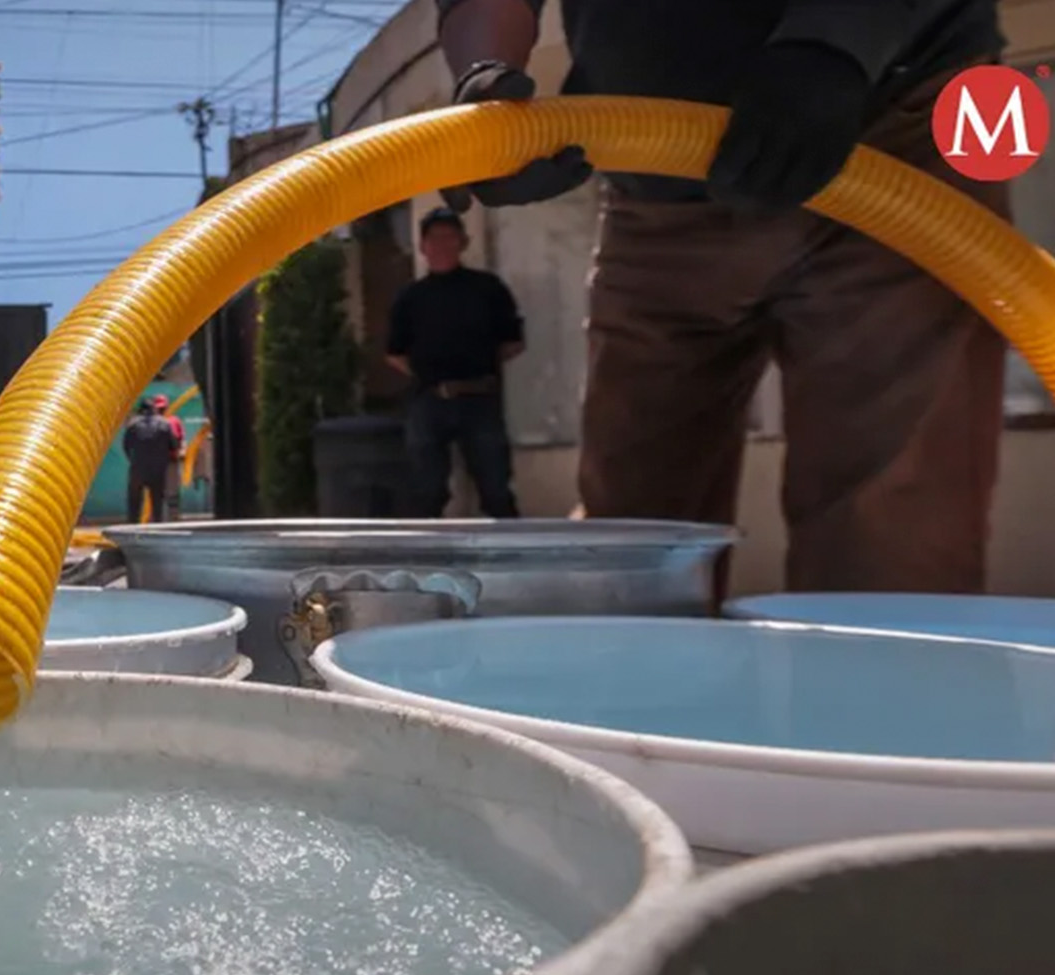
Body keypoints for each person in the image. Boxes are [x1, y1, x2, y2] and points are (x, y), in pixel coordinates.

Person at [434, 0, 1007, 595]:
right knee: (633, 541)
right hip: (655, 175)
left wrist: (835, 44)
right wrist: (487, 79)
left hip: (890, 127)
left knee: (889, 540)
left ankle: (876, 654)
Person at [384, 206, 525, 518]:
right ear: (423, 246)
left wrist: (477, 368)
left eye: (450, 237)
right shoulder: (410, 297)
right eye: (434, 238)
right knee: (427, 491)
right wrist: (429, 376)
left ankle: (510, 547)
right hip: (429, 402)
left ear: (463, 242)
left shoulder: (488, 288)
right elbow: (394, 353)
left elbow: (514, 342)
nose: (442, 245)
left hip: (480, 399)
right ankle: (426, 548)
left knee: (496, 489)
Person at [123, 398, 180, 523]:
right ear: (154, 409)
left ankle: (132, 527)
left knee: (135, 501)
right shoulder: (164, 424)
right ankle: (158, 527)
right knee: (158, 501)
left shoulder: (132, 425)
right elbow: (174, 445)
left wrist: (134, 460)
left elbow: (126, 447)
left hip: (138, 468)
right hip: (158, 468)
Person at [159, 394, 187, 520]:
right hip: (159, 462)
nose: (161, 411)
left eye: (163, 408)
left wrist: (182, 451)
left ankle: (174, 516)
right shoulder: (157, 423)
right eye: (159, 409)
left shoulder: (174, 421)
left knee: (173, 491)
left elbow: (181, 438)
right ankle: (159, 517)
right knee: (160, 491)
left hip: (171, 460)